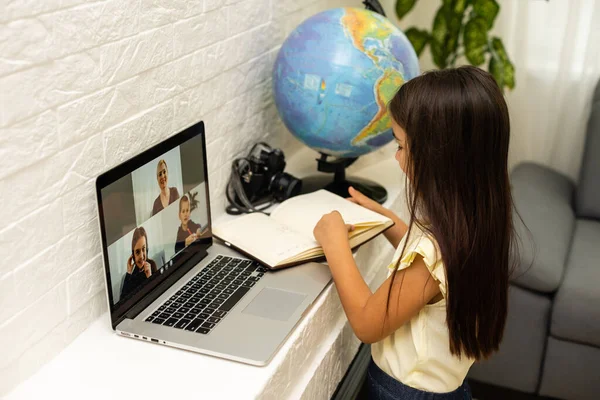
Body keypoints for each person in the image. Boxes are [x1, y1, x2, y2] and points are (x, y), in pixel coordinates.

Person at [313, 66, 517, 400]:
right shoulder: (477, 223)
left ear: (441, 158)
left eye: (401, 146)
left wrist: (335, 244)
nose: (396, 157)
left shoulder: (431, 252)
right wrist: (388, 221)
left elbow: (367, 323)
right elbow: (437, 272)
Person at [121, 227, 158, 300]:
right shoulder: (133, 273)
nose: (141, 256)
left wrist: (149, 277)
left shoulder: (152, 266)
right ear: (133, 255)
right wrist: (128, 272)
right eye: (137, 252)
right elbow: (122, 300)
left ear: (146, 249)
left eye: (143, 249)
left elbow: (156, 294)